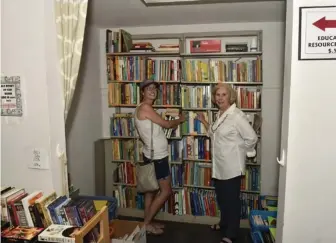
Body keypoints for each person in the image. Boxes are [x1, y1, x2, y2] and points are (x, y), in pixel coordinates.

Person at [196, 83, 258, 243]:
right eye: (217, 95)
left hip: (231, 166)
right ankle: (223, 223)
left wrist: (246, 151)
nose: (220, 98)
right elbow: (213, 133)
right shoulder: (220, 114)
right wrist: (203, 121)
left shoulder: (236, 115)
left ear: (230, 97)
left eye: (224, 95)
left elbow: (252, 138)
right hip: (219, 166)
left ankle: (231, 233)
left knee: (231, 201)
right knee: (223, 199)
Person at [134, 80, 186, 235]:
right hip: (158, 156)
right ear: (142, 92)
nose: (152, 91)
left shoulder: (143, 108)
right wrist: (180, 120)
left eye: (154, 88)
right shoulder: (145, 108)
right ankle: (146, 224)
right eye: (148, 88)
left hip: (150, 154)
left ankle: (148, 223)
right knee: (166, 191)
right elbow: (166, 124)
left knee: (150, 191)